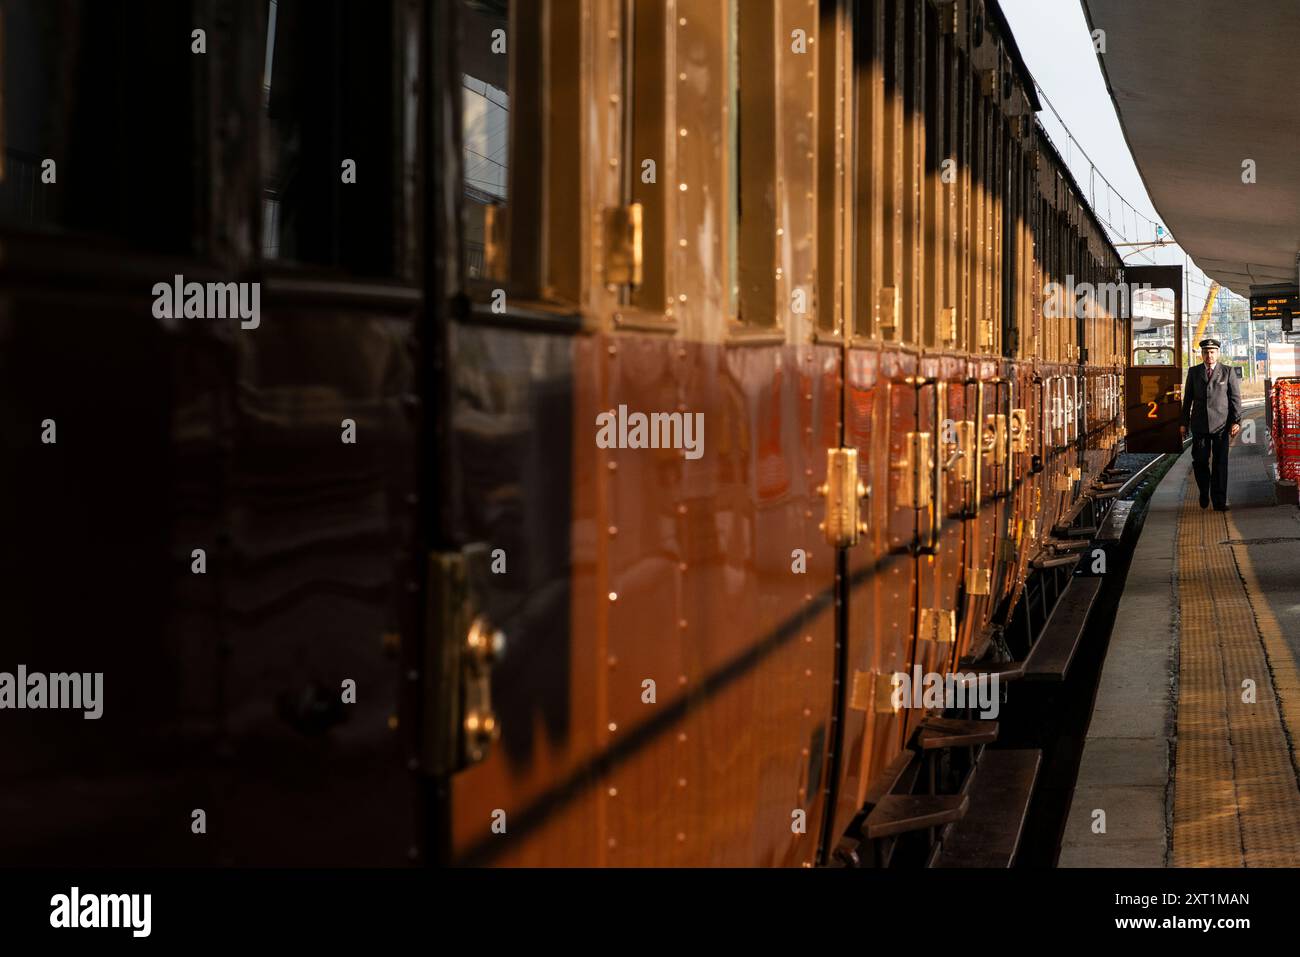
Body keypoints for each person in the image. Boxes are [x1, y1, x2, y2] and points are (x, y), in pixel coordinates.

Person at [1180, 338, 1241, 510]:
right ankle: (1203, 491)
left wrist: (1236, 421)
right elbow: (1188, 400)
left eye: (1212, 352)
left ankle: (1219, 502)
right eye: (1206, 352)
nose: (1209, 355)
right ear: (1202, 355)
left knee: (1220, 464)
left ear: (1218, 353)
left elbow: (1235, 398)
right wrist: (1183, 423)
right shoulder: (1194, 372)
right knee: (1200, 461)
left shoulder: (1227, 372)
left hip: (1221, 426)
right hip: (1200, 425)